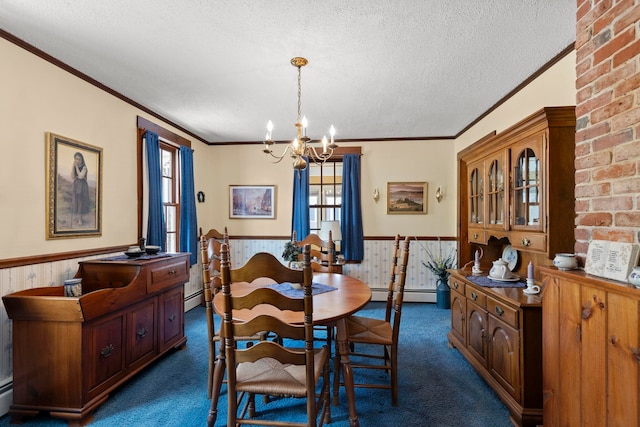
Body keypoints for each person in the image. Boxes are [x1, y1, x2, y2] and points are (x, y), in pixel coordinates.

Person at [71, 152, 90, 226]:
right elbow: (72, 177)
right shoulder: (75, 166)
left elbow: (81, 176)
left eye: (79, 159)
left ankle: (80, 219)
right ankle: (77, 217)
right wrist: (73, 167)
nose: (77, 161)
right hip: (76, 186)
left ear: (82, 160)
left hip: (82, 186)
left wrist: (75, 167)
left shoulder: (84, 167)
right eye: (76, 159)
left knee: (81, 202)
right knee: (76, 201)